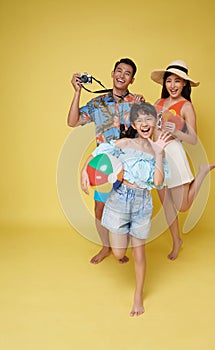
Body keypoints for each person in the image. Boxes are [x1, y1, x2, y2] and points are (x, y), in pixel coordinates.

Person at [81, 102, 171, 316]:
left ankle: (138, 296)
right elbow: (100, 152)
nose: (144, 123)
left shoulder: (158, 150)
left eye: (148, 118)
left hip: (142, 203)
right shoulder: (124, 143)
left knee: (139, 253)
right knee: (119, 252)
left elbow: (158, 182)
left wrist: (158, 153)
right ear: (133, 124)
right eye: (139, 120)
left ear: (155, 122)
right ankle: (122, 240)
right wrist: (85, 170)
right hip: (119, 199)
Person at [67, 58, 144, 264]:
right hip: (104, 165)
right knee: (99, 208)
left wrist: (141, 109)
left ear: (132, 79)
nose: (121, 75)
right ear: (112, 73)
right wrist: (77, 93)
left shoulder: (136, 102)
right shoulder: (98, 103)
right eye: (119, 71)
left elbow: (147, 134)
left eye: (127, 73)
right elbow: (72, 121)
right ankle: (106, 247)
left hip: (129, 164)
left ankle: (121, 248)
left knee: (127, 209)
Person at [150, 60, 215, 260]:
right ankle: (176, 240)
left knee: (183, 206)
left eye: (177, 81)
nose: (172, 85)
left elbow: (194, 139)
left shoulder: (186, 106)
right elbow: (151, 129)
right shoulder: (158, 103)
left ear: (184, 85)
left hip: (175, 154)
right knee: (167, 206)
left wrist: (179, 131)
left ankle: (203, 172)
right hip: (158, 155)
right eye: (169, 81)